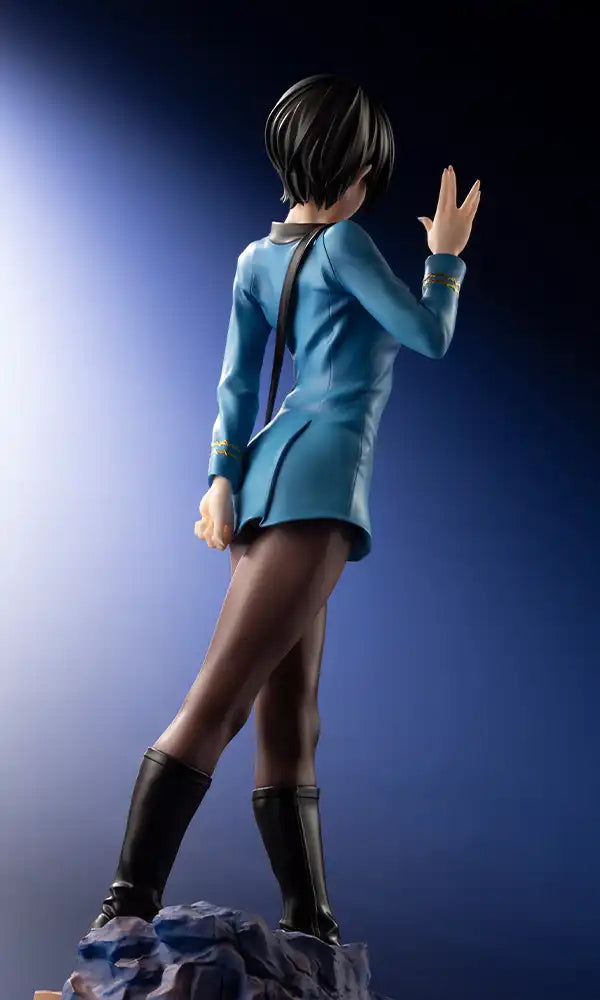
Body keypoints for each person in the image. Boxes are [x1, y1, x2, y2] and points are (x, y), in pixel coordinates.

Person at [86, 73, 480, 946]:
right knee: (221, 701)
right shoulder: (344, 246)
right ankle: (125, 906)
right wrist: (446, 257)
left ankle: (310, 921)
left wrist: (220, 477)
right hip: (317, 484)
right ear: (359, 170)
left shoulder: (255, 259)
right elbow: (430, 335)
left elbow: (235, 385)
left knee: (291, 714)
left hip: (268, 475)